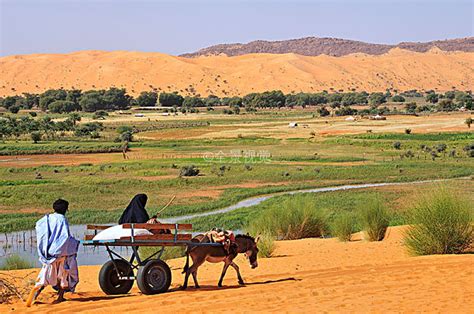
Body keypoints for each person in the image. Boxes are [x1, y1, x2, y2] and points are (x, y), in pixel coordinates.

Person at [27, 199, 80, 306]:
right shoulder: (62, 220)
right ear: (65, 209)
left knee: (45, 276)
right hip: (61, 253)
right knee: (63, 275)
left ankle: (34, 295)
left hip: (48, 253)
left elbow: (42, 233)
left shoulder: (46, 219)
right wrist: (74, 243)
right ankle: (60, 297)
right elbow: (64, 238)